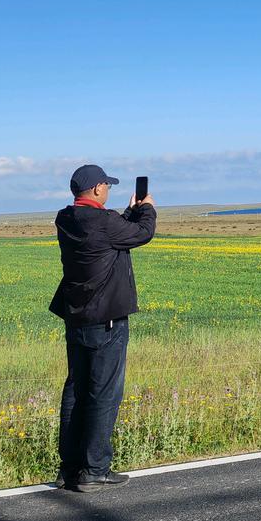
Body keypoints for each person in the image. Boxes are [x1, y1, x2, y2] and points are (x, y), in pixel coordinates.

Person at [49, 164, 156, 491]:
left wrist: (128, 212)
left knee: (76, 391)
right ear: (97, 189)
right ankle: (95, 469)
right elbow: (142, 233)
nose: (108, 189)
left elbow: (110, 231)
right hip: (106, 322)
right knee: (104, 394)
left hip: (77, 319)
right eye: (107, 185)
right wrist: (147, 209)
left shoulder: (66, 218)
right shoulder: (104, 222)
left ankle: (70, 469)